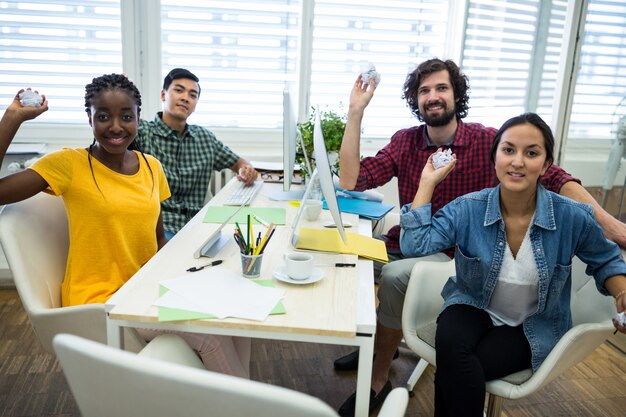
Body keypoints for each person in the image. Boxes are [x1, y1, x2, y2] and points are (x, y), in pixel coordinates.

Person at [335, 58, 626, 416]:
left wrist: (615, 230)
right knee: (351, 259)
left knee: (399, 285)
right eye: (424, 90)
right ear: (415, 99)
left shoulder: (490, 141)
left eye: (442, 87)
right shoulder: (409, 146)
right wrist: (355, 111)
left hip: (458, 256)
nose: (433, 96)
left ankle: (377, 376)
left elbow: (560, 184)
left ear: (457, 94)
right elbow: (352, 181)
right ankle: (383, 345)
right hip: (443, 262)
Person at [0, 74, 250, 378]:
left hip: (145, 288)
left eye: (126, 116)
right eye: (103, 116)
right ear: (89, 118)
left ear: (138, 119)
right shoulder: (69, 163)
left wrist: (193, 277)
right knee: (211, 337)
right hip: (102, 299)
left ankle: (232, 398)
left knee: (237, 316)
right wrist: (13, 118)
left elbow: (158, 241)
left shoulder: (151, 167)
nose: (116, 126)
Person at [399, 112, 626, 417]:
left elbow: (607, 260)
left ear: (546, 165)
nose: (518, 161)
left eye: (531, 153)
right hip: (472, 304)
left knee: (458, 369)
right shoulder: (468, 208)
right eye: (508, 150)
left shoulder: (572, 216)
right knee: (452, 346)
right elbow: (414, 245)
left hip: (533, 323)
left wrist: (622, 295)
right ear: (495, 158)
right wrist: (427, 182)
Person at [132, 68, 258, 239]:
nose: (185, 97)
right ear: (163, 95)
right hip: (159, 228)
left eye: (193, 95)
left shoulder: (205, 138)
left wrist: (246, 169)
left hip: (198, 226)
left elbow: (238, 163)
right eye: (178, 90)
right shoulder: (142, 132)